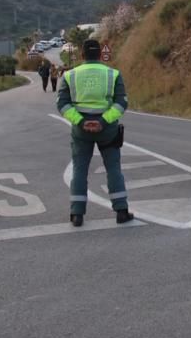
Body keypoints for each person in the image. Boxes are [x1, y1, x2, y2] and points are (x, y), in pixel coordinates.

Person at [57, 39, 134, 227]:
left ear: (82, 55)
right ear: (100, 54)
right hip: (107, 130)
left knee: (80, 170)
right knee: (114, 169)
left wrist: (82, 121)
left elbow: (62, 104)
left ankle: (77, 214)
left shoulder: (70, 75)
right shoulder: (113, 74)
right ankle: (121, 211)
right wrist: (103, 121)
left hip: (81, 131)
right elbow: (121, 102)